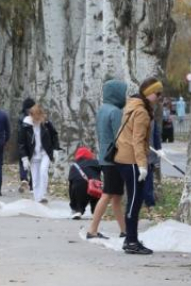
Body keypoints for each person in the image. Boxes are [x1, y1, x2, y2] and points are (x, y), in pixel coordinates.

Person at [115, 78, 163, 255]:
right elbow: (137, 140)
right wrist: (143, 166)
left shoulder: (131, 105)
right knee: (135, 202)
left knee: (133, 201)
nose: (159, 97)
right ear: (148, 93)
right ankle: (131, 241)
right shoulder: (141, 112)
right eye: (157, 93)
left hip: (124, 159)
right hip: (132, 162)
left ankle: (131, 239)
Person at [87, 80, 128, 240]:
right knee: (108, 194)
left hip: (105, 156)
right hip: (114, 159)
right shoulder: (116, 112)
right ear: (117, 93)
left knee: (116, 196)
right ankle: (92, 230)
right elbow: (120, 136)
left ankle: (124, 230)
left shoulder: (102, 109)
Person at [19, 104, 60, 204]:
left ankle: (43, 195)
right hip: (33, 155)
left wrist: (55, 150)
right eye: (35, 118)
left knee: (43, 172)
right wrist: (24, 158)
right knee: (35, 178)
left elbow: (54, 135)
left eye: (39, 117)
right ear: (31, 115)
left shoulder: (46, 124)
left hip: (45, 153)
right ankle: (38, 200)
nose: (37, 120)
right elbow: (21, 143)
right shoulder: (25, 126)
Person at [68, 147, 102, 219]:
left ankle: (77, 210)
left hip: (79, 188)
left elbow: (71, 181)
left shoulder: (74, 166)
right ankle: (95, 211)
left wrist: (72, 202)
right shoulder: (95, 162)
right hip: (94, 187)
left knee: (74, 189)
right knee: (96, 193)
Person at [17, 97, 35, 193]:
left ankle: (24, 178)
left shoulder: (21, 117)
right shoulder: (35, 117)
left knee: (22, 161)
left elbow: (20, 131)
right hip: (33, 144)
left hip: (23, 143)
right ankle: (32, 185)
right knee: (33, 163)